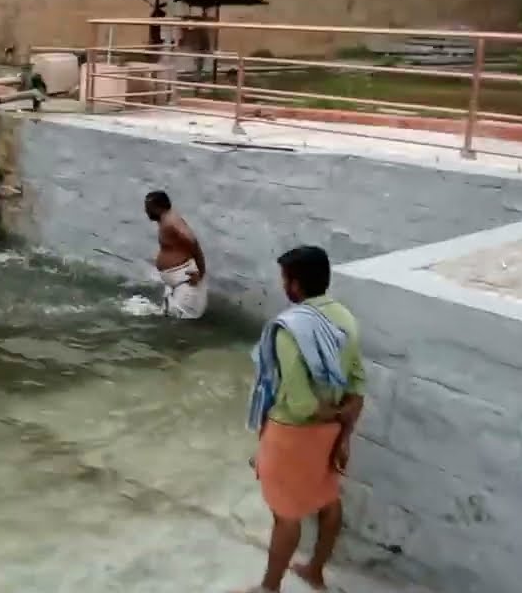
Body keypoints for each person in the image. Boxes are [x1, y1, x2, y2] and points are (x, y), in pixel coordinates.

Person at [236, 245, 367, 593]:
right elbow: (357, 386)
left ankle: (269, 588)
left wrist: (331, 415)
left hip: (293, 433)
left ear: (294, 284)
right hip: (331, 432)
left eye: (284, 279)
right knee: (327, 499)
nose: (283, 286)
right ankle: (315, 571)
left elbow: (300, 404)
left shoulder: (290, 329)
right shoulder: (345, 318)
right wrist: (344, 433)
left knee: (286, 513)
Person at [144, 190, 208, 319]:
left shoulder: (171, 221)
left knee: (182, 325)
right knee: (169, 321)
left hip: (187, 282)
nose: (146, 211)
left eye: (148, 208)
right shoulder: (165, 220)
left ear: (158, 207)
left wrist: (200, 273)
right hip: (177, 283)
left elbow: (193, 241)